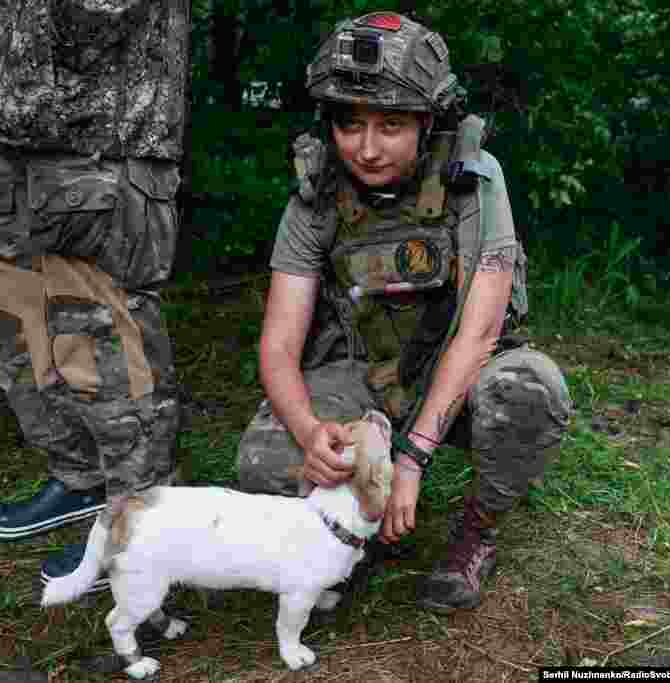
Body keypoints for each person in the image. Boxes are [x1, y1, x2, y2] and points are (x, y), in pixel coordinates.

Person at [235, 12, 572, 612]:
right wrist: (314, 436)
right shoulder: (316, 195)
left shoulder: (474, 178)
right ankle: (356, 534)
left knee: (529, 391)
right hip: (365, 373)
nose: (366, 148)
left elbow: (480, 331)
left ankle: (476, 532)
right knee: (265, 460)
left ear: (428, 121)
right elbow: (279, 347)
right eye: (350, 124)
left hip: (463, 374)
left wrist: (412, 458)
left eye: (391, 125)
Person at [0, 0, 187, 582]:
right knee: (21, 341)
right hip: (12, 147)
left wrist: (28, 93)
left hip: (101, 142)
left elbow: (102, 15)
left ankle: (141, 526)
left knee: (104, 353)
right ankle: (81, 480)